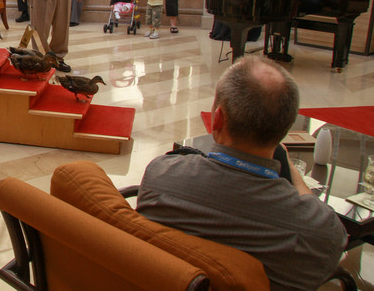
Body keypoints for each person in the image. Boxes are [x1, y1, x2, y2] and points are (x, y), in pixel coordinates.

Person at [137, 56, 347, 290]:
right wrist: (290, 168)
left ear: (217, 119)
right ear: (284, 129)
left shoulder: (160, 176)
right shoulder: (321, 232)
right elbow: (312, 210)